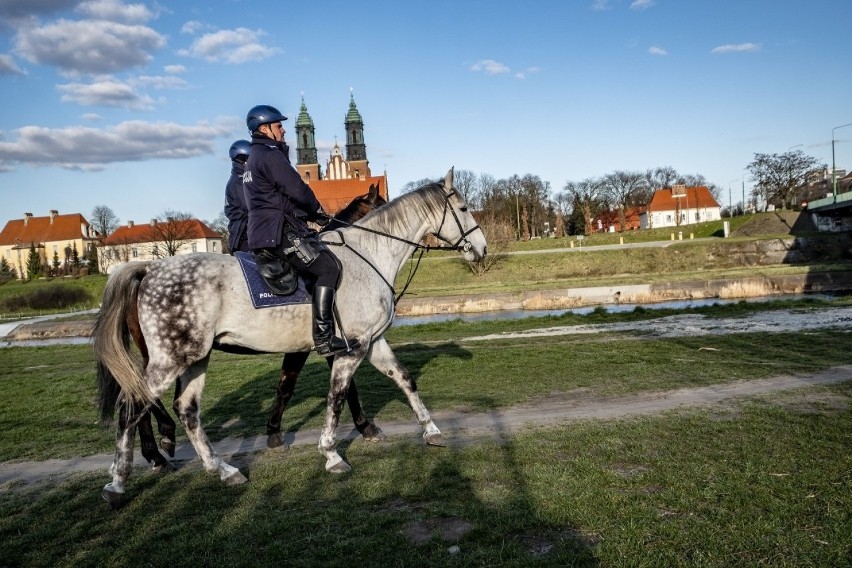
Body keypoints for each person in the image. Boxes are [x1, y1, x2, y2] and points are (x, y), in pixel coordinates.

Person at [242, 104, 360, 357]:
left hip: (266, 230)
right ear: (265, 129)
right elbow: (297, 190)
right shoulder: (270, 155)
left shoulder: (254, 158)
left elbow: (277, 198)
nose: (283, 130)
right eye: (278, 125)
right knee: (329, 267)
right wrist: (316, 210)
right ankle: (325, 338)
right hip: (279, 231)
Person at [224, 139, 251, 253]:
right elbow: (250, 206)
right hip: (244, 236)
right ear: (242, 159)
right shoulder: (238, 182)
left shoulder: (244, 178)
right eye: (249, 158)